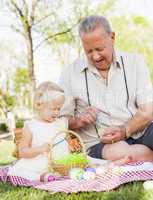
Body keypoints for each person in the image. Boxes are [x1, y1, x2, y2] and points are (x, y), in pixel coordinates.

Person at [59, 15, 153, 164]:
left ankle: (139, 157)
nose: (95, 56)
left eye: (100, 49)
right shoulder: (70, 74)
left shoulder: (135, 62)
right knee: (123, 153)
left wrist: (124, 130)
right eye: (89, 51)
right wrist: (79, 121)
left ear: (112, 37)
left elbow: (148, 111)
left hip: (139, 130)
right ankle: (140, 157)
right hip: (101, 144)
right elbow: (59, 122)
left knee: (132, 151)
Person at [8, 81, 69, 180]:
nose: (57, 112)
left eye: (59, 108)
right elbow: (22, 151)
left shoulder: (60, 123)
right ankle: (41, 176)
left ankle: (54, 174)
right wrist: (39, 149)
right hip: (39, 163)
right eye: (53, 109)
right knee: (19, 172)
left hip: (61, 164)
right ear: (39, 105)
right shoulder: (31, 126)